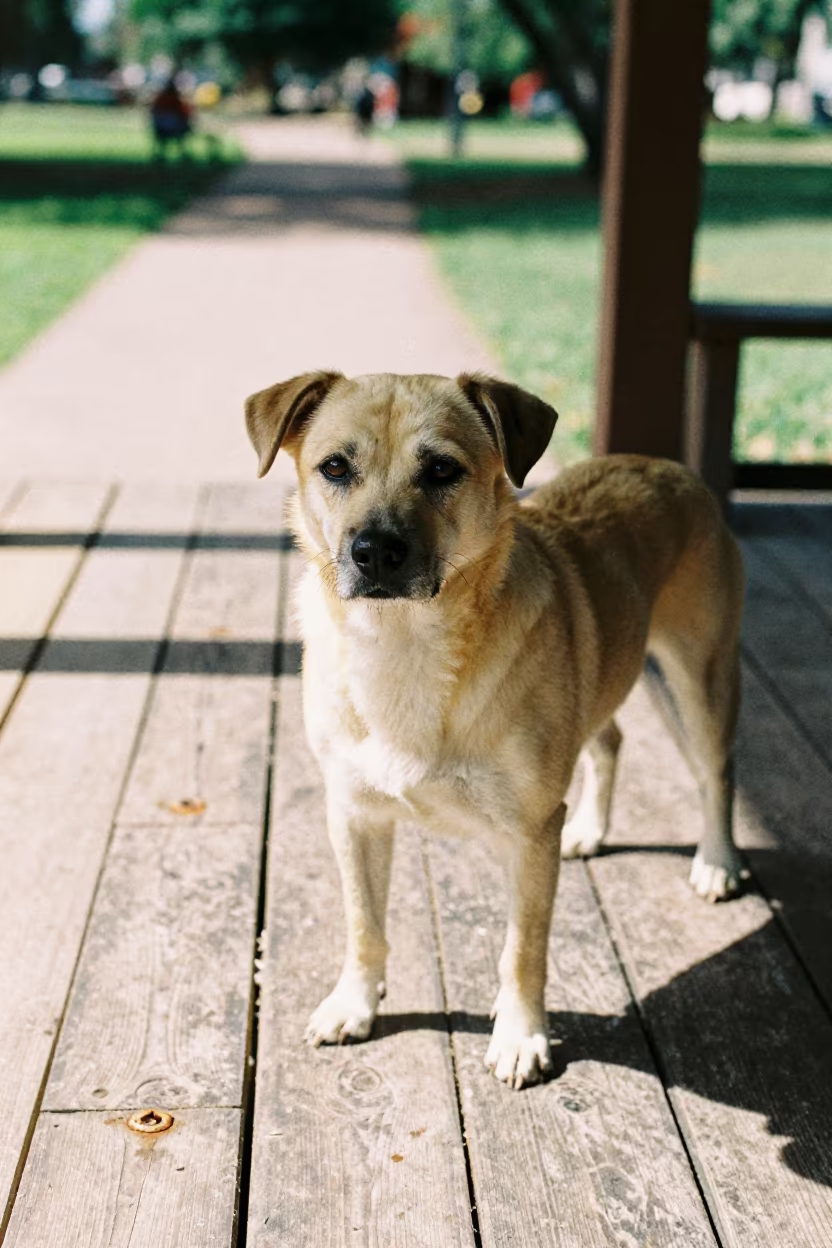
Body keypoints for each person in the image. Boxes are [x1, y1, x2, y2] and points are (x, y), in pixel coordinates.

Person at [150, 76, 192, 158]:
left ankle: (162, 153)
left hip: (163, 125)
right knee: (179, 132)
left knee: (165, 137)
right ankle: (180, 151)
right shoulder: (170, 98)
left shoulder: (163, 97)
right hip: (169, 125)